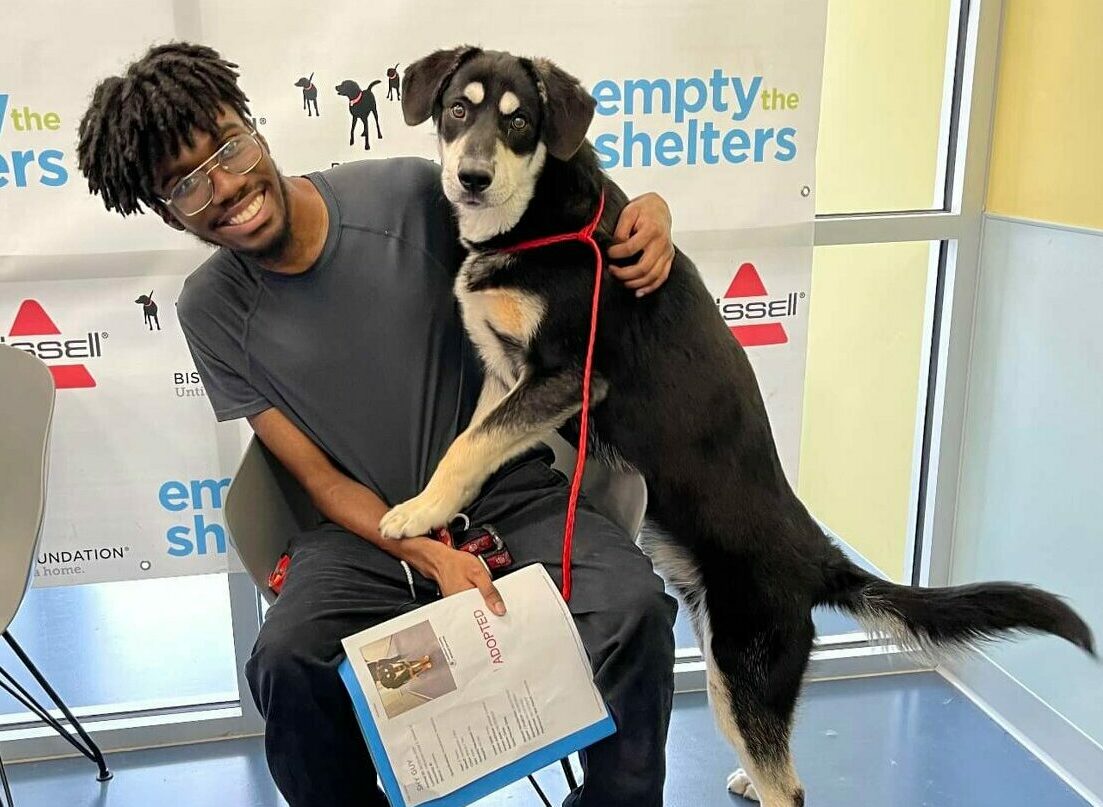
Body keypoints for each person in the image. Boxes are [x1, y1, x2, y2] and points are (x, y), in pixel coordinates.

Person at [77, 42, 678, 807]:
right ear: (167, 213)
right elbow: (319, 480)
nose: (225, 185)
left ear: (255, 128)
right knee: (288, 663)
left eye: (227, 146)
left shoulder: (404, 194)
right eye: (187, 184)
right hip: (368, 533)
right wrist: (429, 556)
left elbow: (562, 210)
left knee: (632, 612)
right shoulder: (209, 308)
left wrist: (646, 211)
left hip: (505, 493)